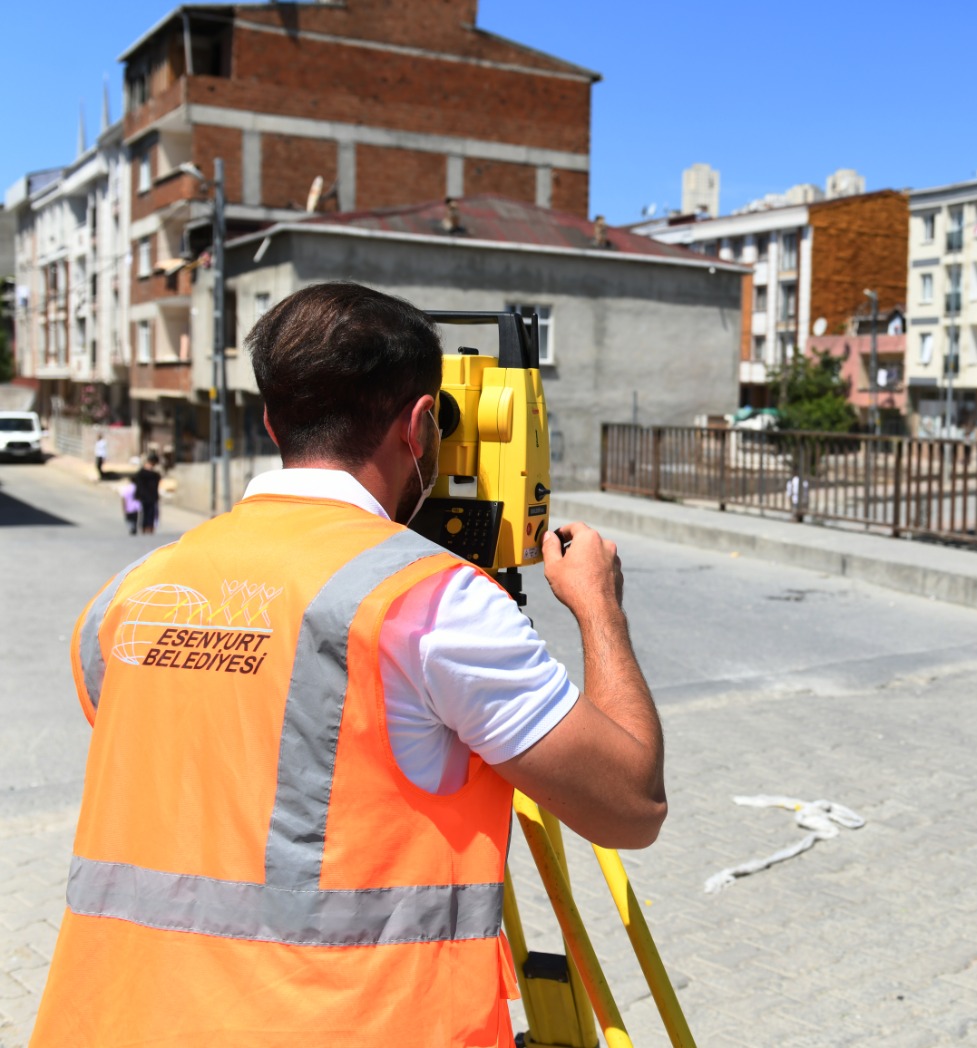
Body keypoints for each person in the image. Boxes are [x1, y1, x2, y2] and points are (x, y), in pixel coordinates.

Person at [33, 282, 667, 1046]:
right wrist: (599, 606)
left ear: (271, 419)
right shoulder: (433, 605)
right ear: (423, 424)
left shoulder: (130, 595)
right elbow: (630, 805)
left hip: (113, 1021)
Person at [131, 451, 161, 533]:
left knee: (150, 514)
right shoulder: (143, 474)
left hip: (150, 497)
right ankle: (145, 528)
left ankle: (148, 528)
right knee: (144, 514)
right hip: (145, 497)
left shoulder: (154, 474)